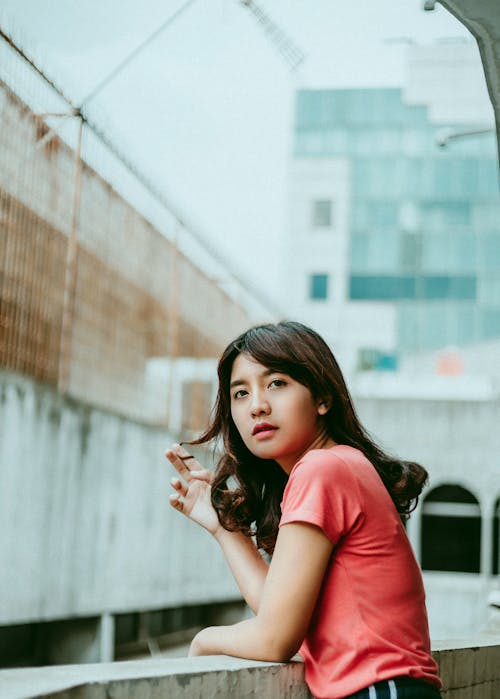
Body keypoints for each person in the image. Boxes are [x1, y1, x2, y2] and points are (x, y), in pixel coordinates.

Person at [165, 321, 442, 699]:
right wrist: (222, 528)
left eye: (276, 383)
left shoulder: (323, 469)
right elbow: (279, 613)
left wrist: (203, 640)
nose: (257, 405)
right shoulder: (336, 466)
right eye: (241, 393)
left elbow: (275, 638)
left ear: (322, 397)